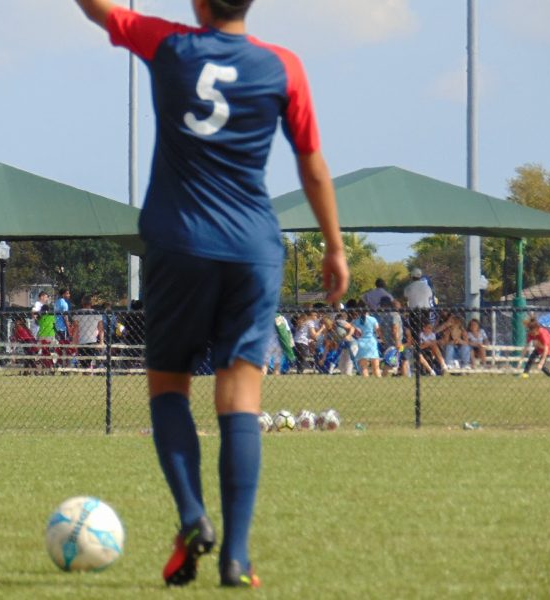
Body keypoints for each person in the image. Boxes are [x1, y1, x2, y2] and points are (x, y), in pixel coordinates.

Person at [72, 0, 348, 589]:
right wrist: (334, 247)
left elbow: (100, 10)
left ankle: (193, 515)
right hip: (252, 248)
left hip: (178, 242)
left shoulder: (170, 46)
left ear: (198, 3)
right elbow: (313, 166)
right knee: (240, 398)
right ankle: (238, 556)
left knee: (169, 387)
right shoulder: (284, 67)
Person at [72, 295, 104, 370]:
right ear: (91, 303)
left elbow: (76, 329)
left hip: (82, 341)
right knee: (89, 361)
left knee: (83, 363)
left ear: (82, 303)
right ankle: (90, 370)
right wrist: (101, 341)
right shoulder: (97, 313)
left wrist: (74, 341)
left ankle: (87, 370)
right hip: (92, 340)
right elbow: (101, 329)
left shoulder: (78, 313)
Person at [351, 305, 381, 378]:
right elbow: (378, 331)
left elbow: (352, 329)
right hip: (371, 342)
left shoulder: (356, 321)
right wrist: (380, 337)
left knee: (364, 368)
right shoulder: (373, 319)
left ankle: (366, 381)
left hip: (361, 342)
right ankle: (378, 380)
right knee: (376, 367)